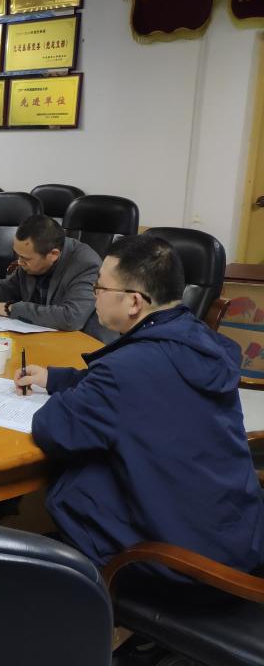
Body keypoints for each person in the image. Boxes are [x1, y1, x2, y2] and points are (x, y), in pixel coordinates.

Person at [14, 234, 264, 581]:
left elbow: (53, 428)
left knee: (73, 475)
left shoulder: (126, 370)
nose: (94, 295)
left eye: (100, 287)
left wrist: (72, 395)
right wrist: (57, 378)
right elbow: (142, 387)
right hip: (235, 540)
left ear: (133, 302)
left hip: (184, 568)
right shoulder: (194, 338)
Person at [0, 214, 113, 343]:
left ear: (53, 254)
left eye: (25, 259)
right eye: (18, 255)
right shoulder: (31, 258)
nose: (19, 263)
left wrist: (11, 308)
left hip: (83, 345)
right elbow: (10, 286)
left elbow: (71, 317)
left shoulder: (86, 264)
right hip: (42, 337)